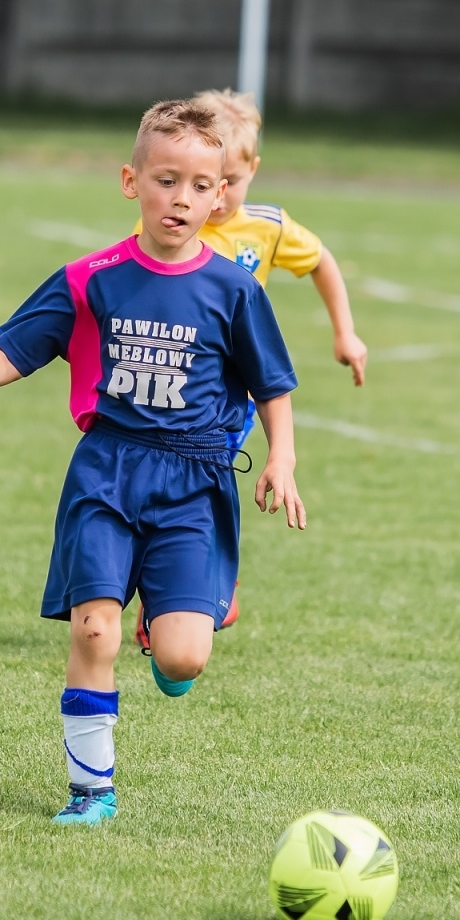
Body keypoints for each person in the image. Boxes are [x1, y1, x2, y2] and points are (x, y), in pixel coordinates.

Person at [0, 99, 307, 824]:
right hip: (107, 470)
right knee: (93, 628)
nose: (180, 199)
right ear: (132, 182)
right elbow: (19, 349)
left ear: (221, 195)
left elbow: (271, 383)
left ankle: (171, 629)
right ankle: (91, 791)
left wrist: (281, 458)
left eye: (198, 185)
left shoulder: (235, 289)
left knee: (185, 659)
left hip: (195, 481)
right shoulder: (89, 278)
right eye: (165, 180)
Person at [131, 88, 367, 640]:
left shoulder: (265, 226)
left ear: (250, 171)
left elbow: (322, 261)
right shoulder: (174, 222)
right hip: (168, 378)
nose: (215, 199)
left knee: (203, 477)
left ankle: (201, 581)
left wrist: (345, 331)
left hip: (229, 389)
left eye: (229, 182)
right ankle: (173, 584)